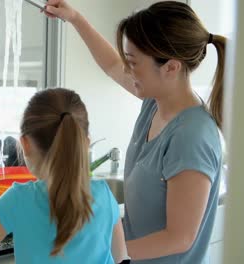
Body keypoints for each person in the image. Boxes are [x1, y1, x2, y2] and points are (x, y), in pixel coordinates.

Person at [43, 1, 225, 263]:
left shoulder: (191, 137)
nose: (127, 70)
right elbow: (112, 65)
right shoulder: (155, 101)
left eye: (134, 62)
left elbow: (179, 237)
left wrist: (97, 249)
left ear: (171, 67)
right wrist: (74, 18)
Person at [0, 88, 130, 263]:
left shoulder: (18, 199)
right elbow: (122, 260)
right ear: (85, 143)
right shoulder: (104, 195)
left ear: (25, 144)